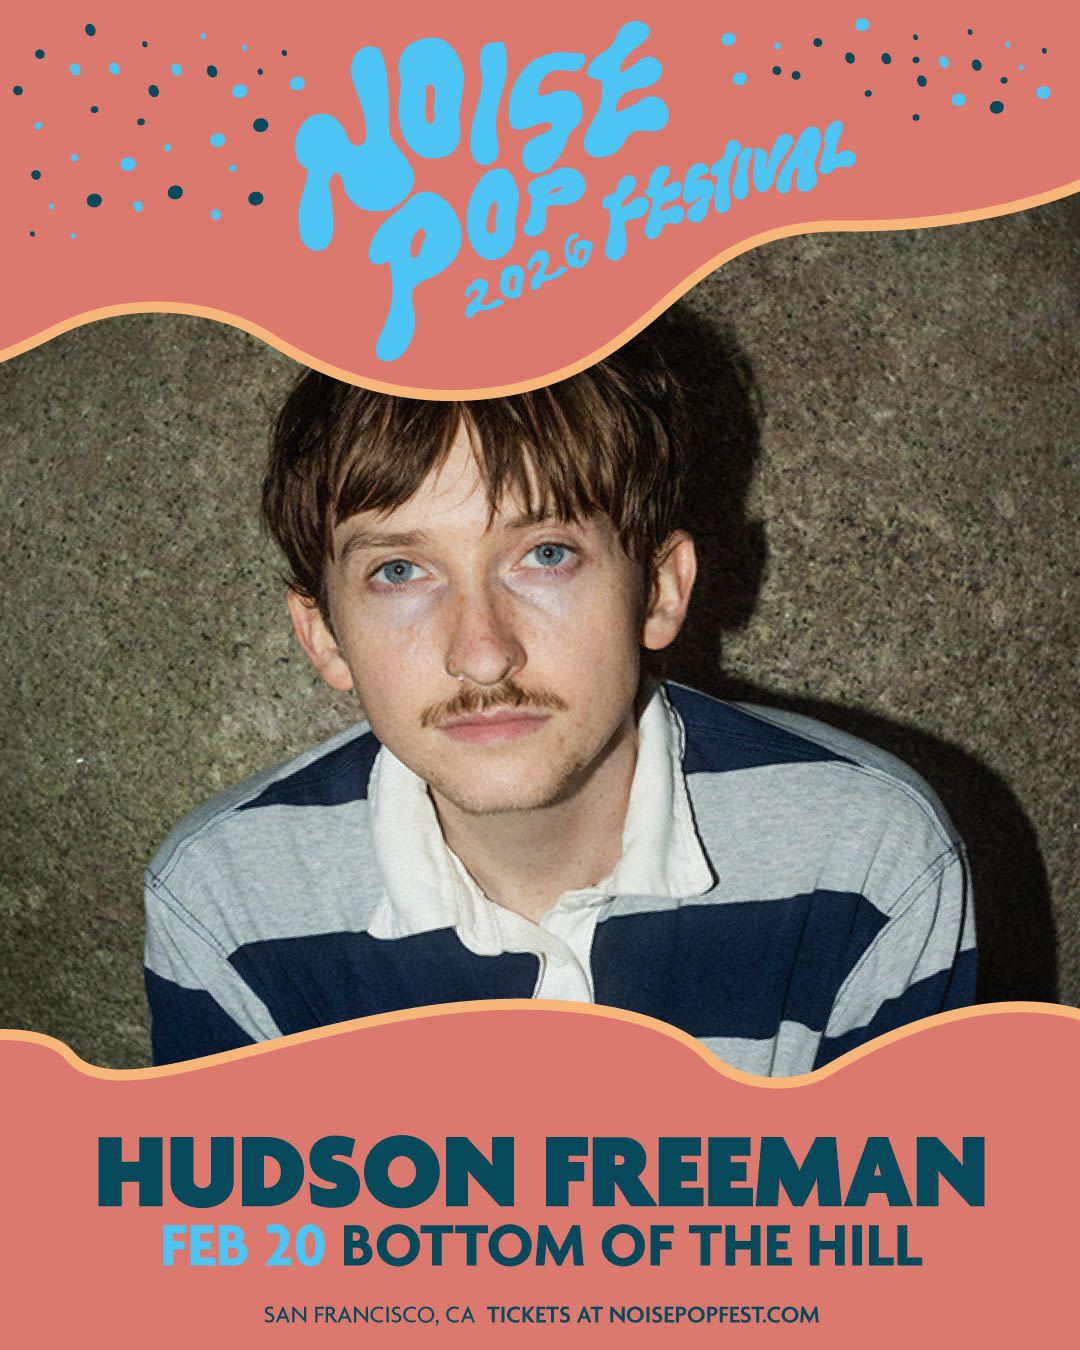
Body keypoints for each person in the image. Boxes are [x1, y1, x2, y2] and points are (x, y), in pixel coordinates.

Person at [143, 337, 975, 1071]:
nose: (481, 652)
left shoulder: (866, 860)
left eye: (545, 555)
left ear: (659, 588)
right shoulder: (228, 901)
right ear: (323, 634)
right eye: (399, 571)